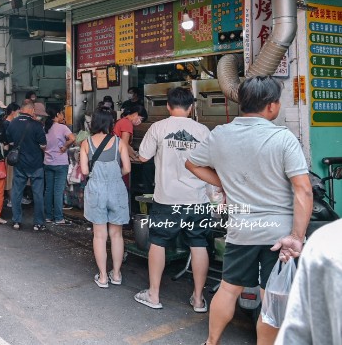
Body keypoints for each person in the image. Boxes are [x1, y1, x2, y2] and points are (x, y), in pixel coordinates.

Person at [185, 76, 312, 345]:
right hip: (279, 234)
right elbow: (303, 190)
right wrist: (297, 237)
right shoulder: (283, 138)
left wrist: (225, 182)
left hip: (241, 229)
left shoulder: (221, 133)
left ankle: (211, 342)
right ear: (271, 106)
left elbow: (192, 164)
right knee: (272, 297)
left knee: (229, 289)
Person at [133, 87, 212, 312]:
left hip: (167, 199)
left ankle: (154, 295)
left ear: (168, 106)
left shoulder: (159, 128)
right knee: (199, 245)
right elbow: (212, 163)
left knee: (158, 243)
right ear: (191, 107)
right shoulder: (203, 130)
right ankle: (198, 300)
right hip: (197, 199)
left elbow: (143, 156)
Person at [80, 107, 131, 288]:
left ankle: (102, 277)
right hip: (117, 189)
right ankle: (116, 275)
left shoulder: (86, 143)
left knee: (99, 235)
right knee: (117, 235)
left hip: (96, 189)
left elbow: (85, 171)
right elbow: (127, 168)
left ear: (94, 122)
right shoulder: (119, 142)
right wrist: (114, 176)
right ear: (111, 123)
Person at [275, 219, 342, 345]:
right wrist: (296, 237)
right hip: (281, 233)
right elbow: (304, 197)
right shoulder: (327, 242)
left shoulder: (326, 241)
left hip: (244, 234)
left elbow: (296, 334)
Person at [7, 101, 48, 231]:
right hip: (36, 164)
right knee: (38, 194)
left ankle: (16, 221)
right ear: (31, 111)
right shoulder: (37, 125)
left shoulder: (13, 123)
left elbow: (10, 142)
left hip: (19, 163)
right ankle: (38, 223)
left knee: (17, 192)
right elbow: (43, 145)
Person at [43, 104, 75, 225]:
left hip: (48, 162)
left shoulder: (45, 127)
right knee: (58, 190)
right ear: (57, 115)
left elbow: (42, 145)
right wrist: (65, 147)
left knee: (48, 190)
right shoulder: (62, 127)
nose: (62, 115)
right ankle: (58, 217)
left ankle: (48, 216)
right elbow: (72, 138)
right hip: (60, 163)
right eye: (61, 113)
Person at [3, 102, 21, 205]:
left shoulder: (12, 123)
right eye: (18, 112)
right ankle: (11, 199)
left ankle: (12, 198)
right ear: (13, 112)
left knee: (12, 178)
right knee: (10, 179)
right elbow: (8, 141)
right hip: (9, 155)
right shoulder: (7, 124)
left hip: (12, 154)